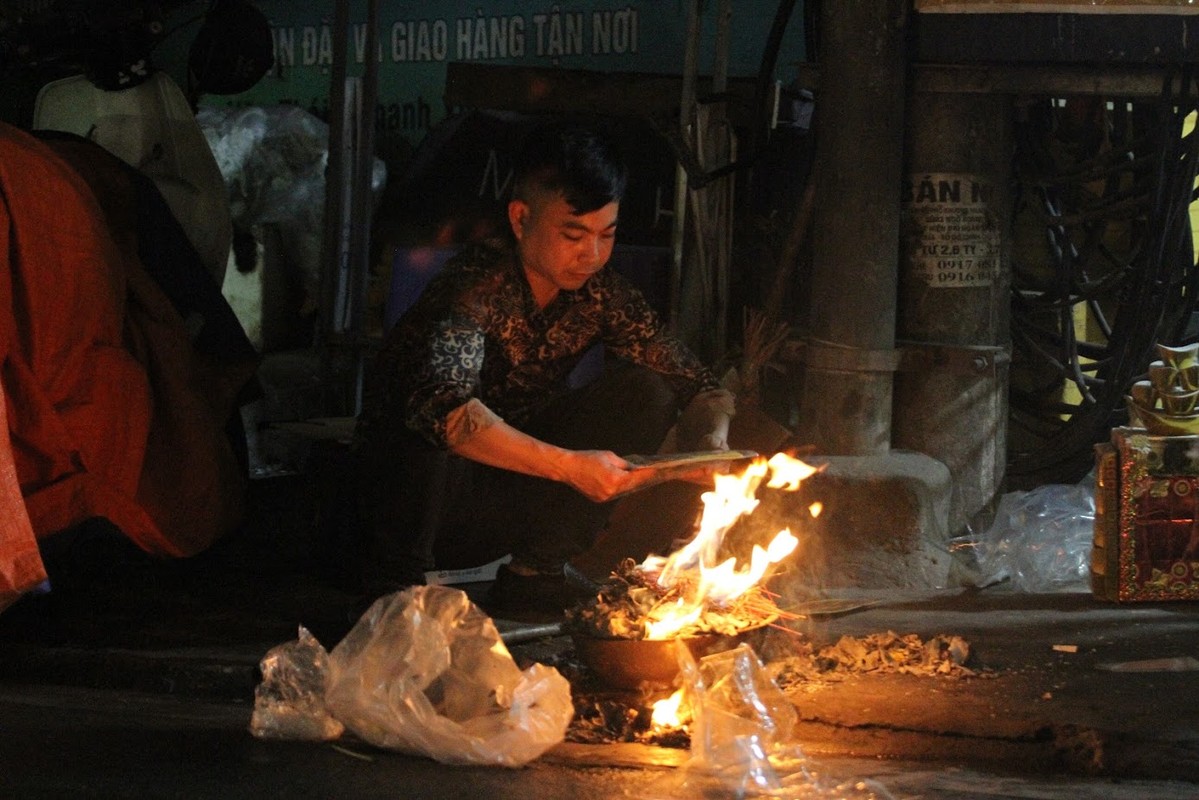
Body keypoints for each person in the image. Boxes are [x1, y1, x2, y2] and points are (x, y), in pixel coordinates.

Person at [353, 120, 735, 612]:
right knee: (428, 421)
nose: (592, 255)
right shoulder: (473, 287)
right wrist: (571, 467)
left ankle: (537, 572)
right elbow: (447, 414)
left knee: (649, 390)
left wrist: (710, 443)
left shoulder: (602, 294)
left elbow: (701, 386)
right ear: (520, 219)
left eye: (607, 235)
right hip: (405, 507)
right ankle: (393, 596)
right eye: (573, 234)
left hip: (505, 504)